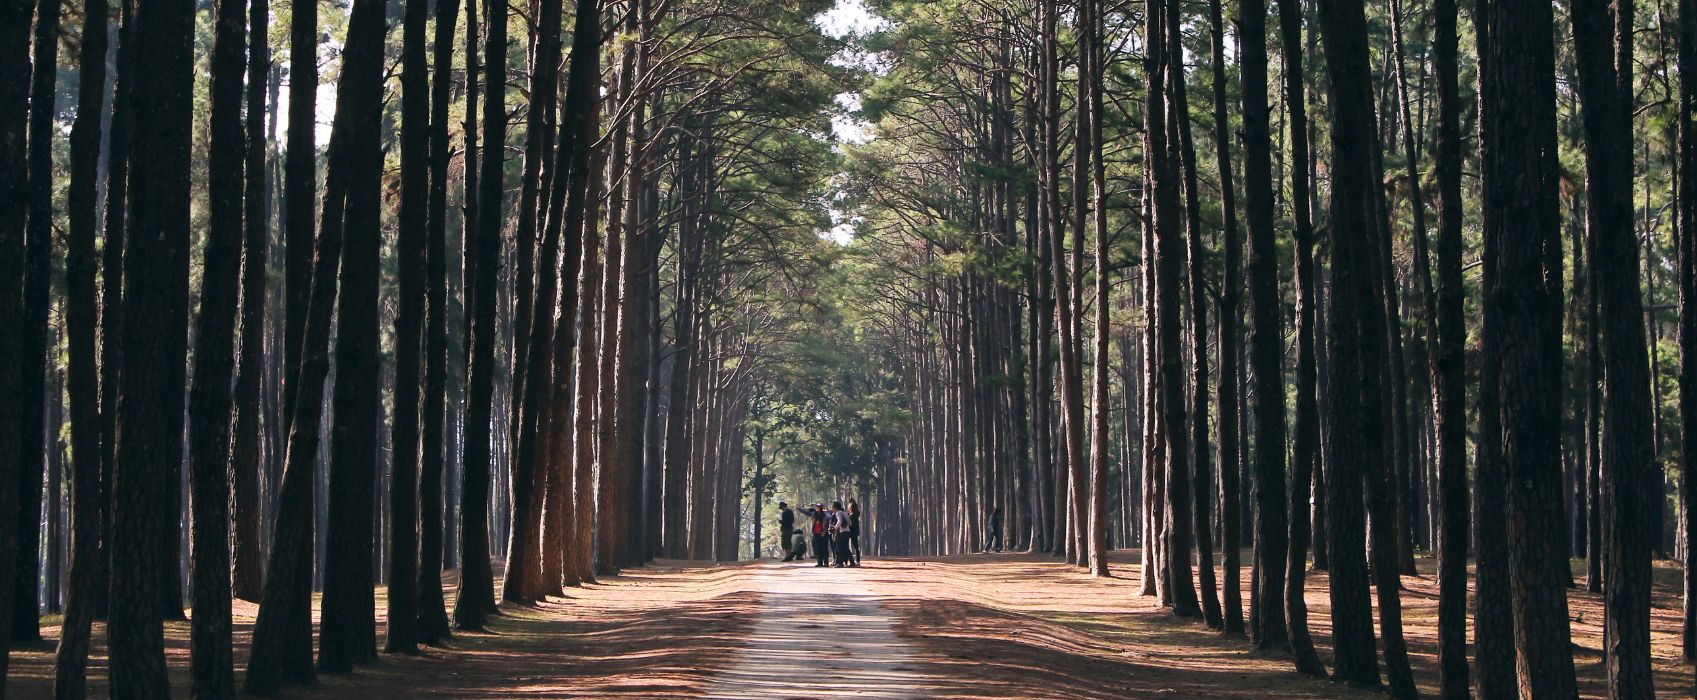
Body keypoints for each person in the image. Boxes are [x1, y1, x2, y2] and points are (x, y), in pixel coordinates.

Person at [829, 501, 851, 567]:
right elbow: (850, 522)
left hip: (842, 532)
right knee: (845, 547)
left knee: (839, 548)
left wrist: (835, 527)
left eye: (832, 507)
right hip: (847, 531)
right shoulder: (844, 513)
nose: (832, 509)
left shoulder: (838, 513)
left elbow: (839, 521)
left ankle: (840, 563)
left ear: (835, 508)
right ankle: (851, 561)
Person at [846, 499, 863, 566]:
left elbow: (851, 524)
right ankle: (851, 560)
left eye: (849, 505)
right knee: (854, 546)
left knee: (855, 546)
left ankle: (857, 561)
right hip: (852, 531)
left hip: (852, 531)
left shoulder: (853, 515)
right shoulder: (852, 514)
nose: (848, 506)